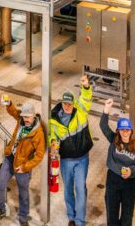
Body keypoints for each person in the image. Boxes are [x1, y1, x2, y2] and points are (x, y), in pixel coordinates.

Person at [0, 101, 45, 226]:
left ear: (34, 115)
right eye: (24, 117)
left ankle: (23, 218)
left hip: (22, 165)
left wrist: (25, 167)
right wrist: (9, 104)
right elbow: (13, 111)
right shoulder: (21, 119)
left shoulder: (38, 133)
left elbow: (39, 155)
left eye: (28, 117)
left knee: (23, 193)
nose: (26, 119)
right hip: (10, 158)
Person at [49, 75, 93, 226]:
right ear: (61, 103)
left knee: (80, 187)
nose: (67, 106)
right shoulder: (53, 119)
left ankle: (80, 221)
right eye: (65, 104)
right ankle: (71, 217)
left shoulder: (80, 111)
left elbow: (86, 99)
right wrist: (53, 142)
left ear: (74, 104)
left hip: (82, 158)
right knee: (68, 188)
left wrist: (85, 87)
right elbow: (52, 136)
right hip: (66, 160)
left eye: (70, 104)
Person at [100, 99, 135, 226]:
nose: (125, 132)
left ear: (131, 131)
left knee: (127, 218)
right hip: (113, 181)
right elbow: (103, 126)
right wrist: (106, 110)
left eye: (127, 130)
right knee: (112, 217)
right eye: (122, 130)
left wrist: (132, 171)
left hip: (130, 184)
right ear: (118, 131)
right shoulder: (114, 140)